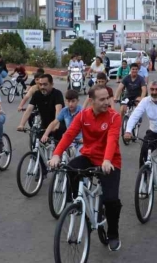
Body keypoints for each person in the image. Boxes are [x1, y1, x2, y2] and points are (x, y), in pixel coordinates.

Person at [49, 85, 124, 251]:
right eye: (102, 99)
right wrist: (56, 154)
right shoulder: (83, 116)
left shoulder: (114, 117)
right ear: (91, 101)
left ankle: (113, 234)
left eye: (108, 98)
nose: (107, 102)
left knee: (111, 200)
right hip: (89, 156)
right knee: (69, 168)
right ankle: (76, 203)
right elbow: (69, 135)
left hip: (110, 161)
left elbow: (112, 140)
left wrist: (106, 160)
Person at [124, 80, 157, 183]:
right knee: (144, 151)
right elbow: (135, 115)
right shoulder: (145, 101)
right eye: (152, 89)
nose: (154, 92)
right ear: (149, 90)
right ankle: (143, 180)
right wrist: (128, 131)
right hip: (153, 132)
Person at [17, 74, 65, 146]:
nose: (42, 87)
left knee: (57, 149)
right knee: (39, 145)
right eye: (40, 84)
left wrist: (56, 125)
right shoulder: (37, 94)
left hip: (58, 125)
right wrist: (21, 124)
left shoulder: (57, 94)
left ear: (52, 84)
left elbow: (58, 110)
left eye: (45, 84)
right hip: (44, 125)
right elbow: (29, 109)